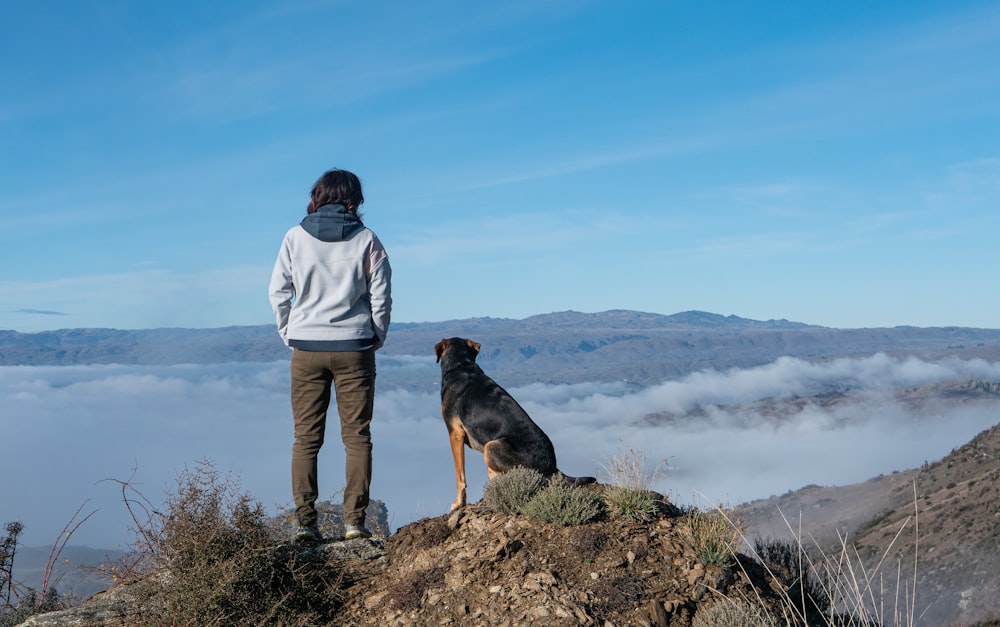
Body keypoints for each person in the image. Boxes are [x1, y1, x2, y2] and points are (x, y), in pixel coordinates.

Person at [268, 168, 392, 544]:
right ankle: (355, 523)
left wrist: (290, 333)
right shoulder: (368, 240)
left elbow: (277, 293)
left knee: (305, 439)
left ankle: (305, 523)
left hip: (306, 348)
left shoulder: (294, 237)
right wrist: (376, 336)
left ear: (318, 196)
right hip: (355, 348)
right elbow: (381, 298)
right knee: (357, 438)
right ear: (354, 200)